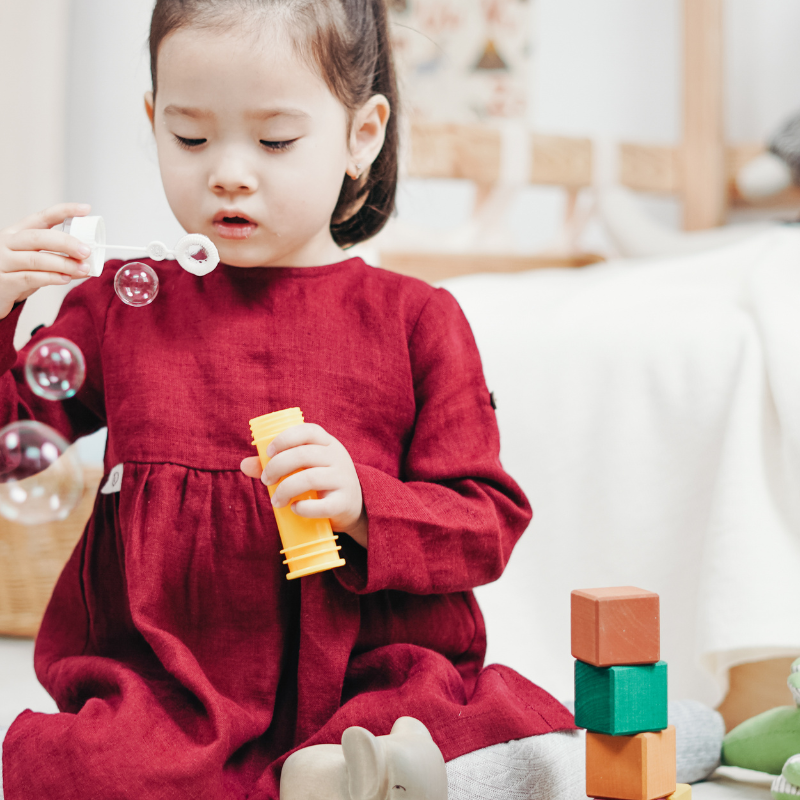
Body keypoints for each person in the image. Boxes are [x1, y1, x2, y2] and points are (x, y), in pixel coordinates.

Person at [0, 1, 580, 797]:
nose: (229, 172)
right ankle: (338, 784)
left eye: (275, 141)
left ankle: (364, 769)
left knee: (477, 722)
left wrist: (365, 505)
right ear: (154, 120)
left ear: (361, 136)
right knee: (67, 764)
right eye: (190, 137)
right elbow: (13, 439)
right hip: (177, 690)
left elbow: (486, 524)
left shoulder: (416, 319)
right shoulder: (120, 308)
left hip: (367, 675)